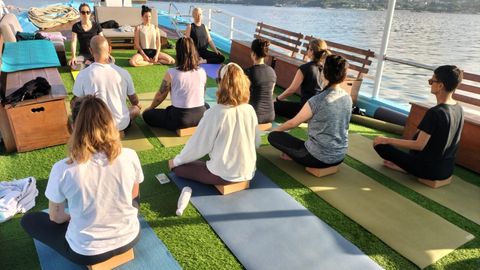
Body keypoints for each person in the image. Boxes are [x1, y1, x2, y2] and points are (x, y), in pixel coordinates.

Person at [21, 95, 143, 266]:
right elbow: (133, 196)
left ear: (73, 128)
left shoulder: (62, 169)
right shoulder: (130, 155)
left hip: (87, 253)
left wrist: (72, 217)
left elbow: (56, 218)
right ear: (111, 125)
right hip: (130, 237)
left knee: (28, 220)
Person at [168, 63, 261, 185]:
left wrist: (176, 162)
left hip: (224, 175)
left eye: (217, 80)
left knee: (178, 168)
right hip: (249, 172)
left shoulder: (215, 112)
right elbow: (257, 143)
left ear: (222, 84)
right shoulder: (249, 109)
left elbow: (197, 147)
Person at [373, 65, 464, 181]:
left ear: (441, 86)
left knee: (379, 144)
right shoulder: (459, 108)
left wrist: (387, 140)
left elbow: (419, 145)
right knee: (418, 134)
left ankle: (407, 168)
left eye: (431, 81)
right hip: (447, 170)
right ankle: (408, 167)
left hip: (430, 170)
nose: (430, 84)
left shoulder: (435, 112)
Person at [268, 54, 352, 168]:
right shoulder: (347, 97)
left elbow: (292, 123)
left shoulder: (317, 100)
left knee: (273, 137)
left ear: (323, 73)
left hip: (317, 158)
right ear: (344, 76)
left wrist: (274, 131)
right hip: (340, 157)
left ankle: (296, 155)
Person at [72, 35, 141, 132]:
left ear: (91, 51)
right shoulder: (124, 73)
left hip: (95, 126)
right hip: (121, 125)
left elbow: (75, 103)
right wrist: (137, 104)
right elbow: (133, 99)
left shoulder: (82, 74)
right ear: (109, 49)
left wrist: (77, 121)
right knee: (136, 109)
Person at [143, 37, 209, 131]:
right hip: (201, 116)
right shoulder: (202, 71)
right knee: (206, 106)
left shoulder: (171, 73)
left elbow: (160, 95)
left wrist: (151, 108)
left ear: (178, 53)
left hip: (180, 119)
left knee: (147, 115)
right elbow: (203, 94)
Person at [274, 38, 330, 119]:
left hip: (304, 109)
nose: (307, 50)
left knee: (273, 106)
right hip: (319, 109)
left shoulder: (305, 68)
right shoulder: (326, 69)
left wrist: (276, 99)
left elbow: (291, 90)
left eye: (308, 48)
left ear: (312, 52)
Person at [68, 3, 113, 70]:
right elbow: (74, 42)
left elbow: (103, 40)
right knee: (72, 65)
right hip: (83, 55)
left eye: (88, 12)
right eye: (83, 12)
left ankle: (88, 64)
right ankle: (92, 64)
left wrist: (106, 54)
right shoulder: (76, 26)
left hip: (97, 54)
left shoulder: (96, 25)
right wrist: (73, 57)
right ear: (80, 13)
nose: (86, 14)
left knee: (111, 61)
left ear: (90, 13)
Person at [244, 38, 277, 124]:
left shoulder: (248, 72)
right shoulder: (272, 71)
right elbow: (271, 93)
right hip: (270, 115)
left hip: (254, 116)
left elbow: (241, 95)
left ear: (253, 53)